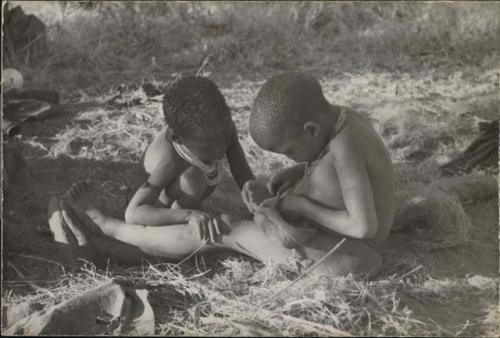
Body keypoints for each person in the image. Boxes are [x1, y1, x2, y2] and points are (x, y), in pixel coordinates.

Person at [243, 72, 396, 275]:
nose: (291, 158)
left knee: (238, 230)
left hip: (355, 250)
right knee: (276, 204)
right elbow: (348, 167)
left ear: (312, 130)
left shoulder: (345, 146)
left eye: (290, 151)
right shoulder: (344, 118)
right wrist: (299, 170)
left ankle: (217, 235)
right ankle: (275, 206)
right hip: (355, 240)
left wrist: (303, 207)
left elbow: (364, 227)